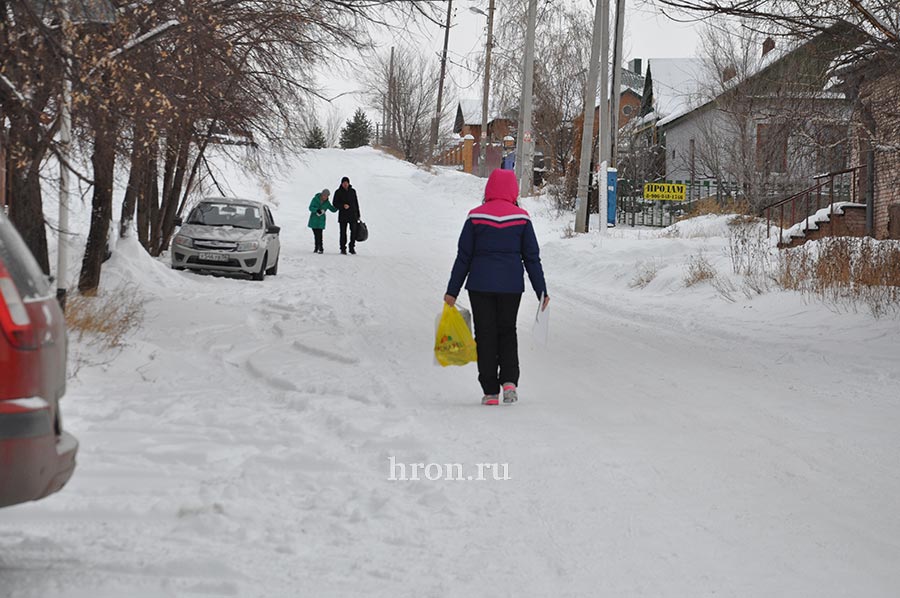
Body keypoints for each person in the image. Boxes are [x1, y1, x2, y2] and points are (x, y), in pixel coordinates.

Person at [444, 169, 550, 406]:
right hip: (511, 286)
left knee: (485, 334)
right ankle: (510, 382)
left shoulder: (475, 217)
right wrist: (541, 290)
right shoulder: (522, 218)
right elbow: (532, 257)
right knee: (507, 331)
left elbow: (464, 257)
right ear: (513, 190)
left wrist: (452, 291)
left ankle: (491, 391)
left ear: (489, 189)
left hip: (480, 285)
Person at [333, 176, 360, 255]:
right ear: (341, 183)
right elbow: (335, 203)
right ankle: (343, 248)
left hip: (353, 215)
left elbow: (356, 203)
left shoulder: (353, 191)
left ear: (348, 183)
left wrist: (358, 214)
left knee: (354, 232)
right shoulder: (338, 192)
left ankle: (351, 247)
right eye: (344, 183)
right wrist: (342, 206)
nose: (345, 184)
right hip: (343, 215)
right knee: (343, 233)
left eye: (346, 183)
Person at [308, 188, 337, 254]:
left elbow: (332, 209)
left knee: (320, 234)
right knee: (316, 234)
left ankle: (320, 248)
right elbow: (310, 207)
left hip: (321, 221)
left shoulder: (327, 203)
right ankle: (316, 247)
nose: (325, 197)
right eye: (324, 195)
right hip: (314, 220)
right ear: (322, 194)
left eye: (327, 196)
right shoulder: (315, 199)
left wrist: (338, 207)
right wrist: (316, 210)